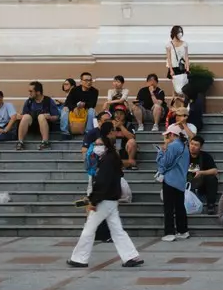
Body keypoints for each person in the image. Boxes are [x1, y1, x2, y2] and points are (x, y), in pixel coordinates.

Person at [68, 130, 144, 268]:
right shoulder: (111, 158)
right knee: (117, 230)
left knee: (89, 229)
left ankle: (79, 258)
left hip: (104, 200)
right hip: (111, 200)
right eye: (95, 144)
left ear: (106, 145)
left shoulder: (106, 161)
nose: (96, 147)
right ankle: (131, 256)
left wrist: (93, 200)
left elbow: (102, 183)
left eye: (99, 144)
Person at [158, 123, 192, 242]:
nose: (166, 138)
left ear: (172, 134)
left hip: (170, 180)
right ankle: (183, 230)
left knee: (169, 207)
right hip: (180, 180)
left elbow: (164, 163)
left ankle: (169, 232)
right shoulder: (184, 146)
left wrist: (161, 152)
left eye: (168, 135)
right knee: (179, 206)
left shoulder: (173, 146)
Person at [16, 81, 58, 148]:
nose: (29, 93)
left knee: (41, 116)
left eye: (31, 91)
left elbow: (56, 116)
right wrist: (20, 116)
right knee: (26, 116)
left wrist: (50, 117)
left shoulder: (48, 101)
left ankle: (45, 142)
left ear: (38, 92)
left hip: (45, 125)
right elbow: (24, 115)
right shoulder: (29, 101)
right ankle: (20, 142)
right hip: (32, 126)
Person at [165, 25, 191, 100]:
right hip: (173, 67)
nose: (180, 34)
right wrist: (171, 70)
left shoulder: (184, 44)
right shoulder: (169, 45)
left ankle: (184, 101)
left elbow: (186, 56)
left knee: (183, 84)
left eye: (181, 32)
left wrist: (187, 67)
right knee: (175, 85)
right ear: (174, 33)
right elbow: (169, 58)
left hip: (182, 66)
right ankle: (174, 100)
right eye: (179, 32)